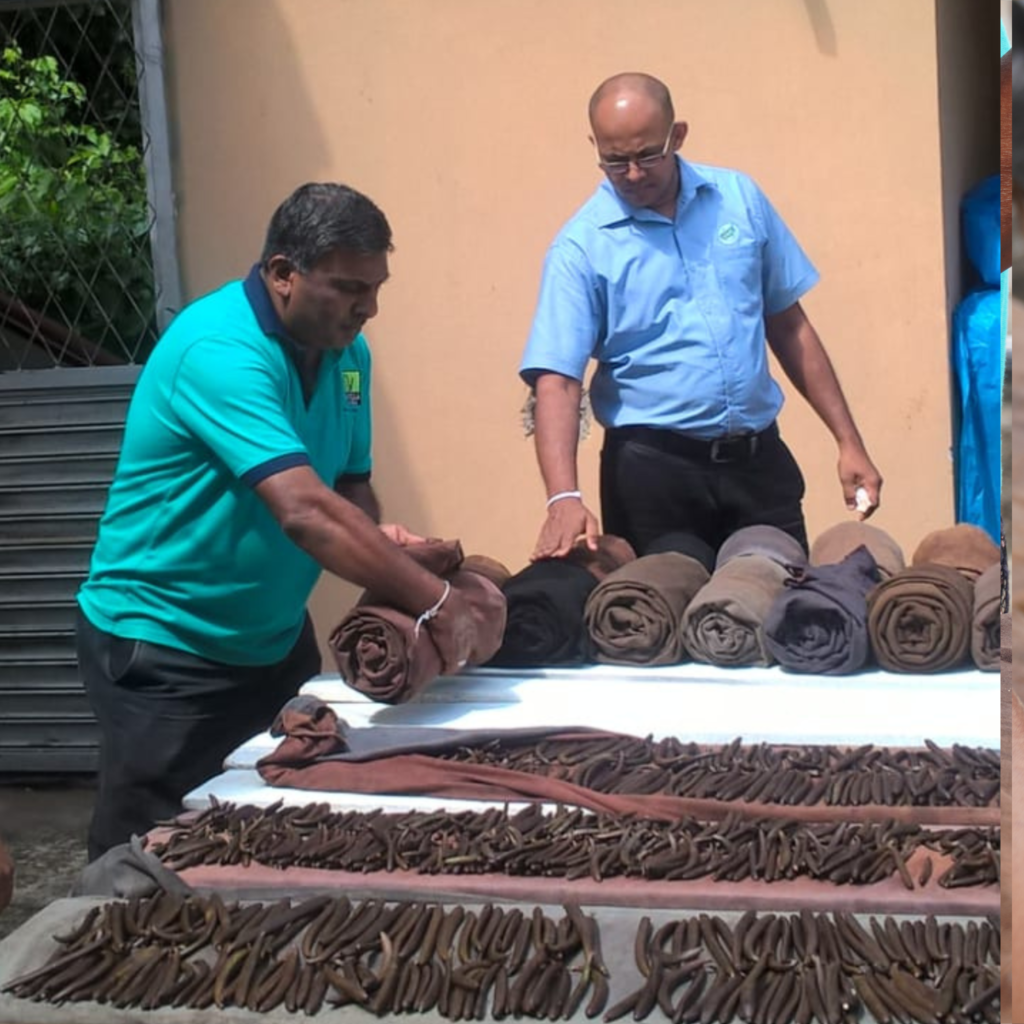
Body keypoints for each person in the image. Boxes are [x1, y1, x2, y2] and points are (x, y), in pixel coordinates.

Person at [76, 182, 474, 861]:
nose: (369, 308)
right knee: (151, 851)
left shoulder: (349, 356)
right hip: (167, 649)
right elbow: (303, 510)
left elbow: (348, 486)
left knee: (263, 831)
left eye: (376, 288)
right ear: (283, 273)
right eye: (350, 287)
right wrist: (436, 602)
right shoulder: (219, 349)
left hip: (272, 642)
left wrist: (379, 544)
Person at [520, 72, 882, 560]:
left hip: (758, 466)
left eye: (647, 155)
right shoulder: (580, 247)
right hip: (653, 479)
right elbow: (558, 380)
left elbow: (788, 323)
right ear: (595, 147)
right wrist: (564, 497)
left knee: (786, 613)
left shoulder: (739, 200)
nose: (631, 173)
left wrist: (848, 441)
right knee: (665, 617)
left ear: (679, 135)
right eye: (614, 160)